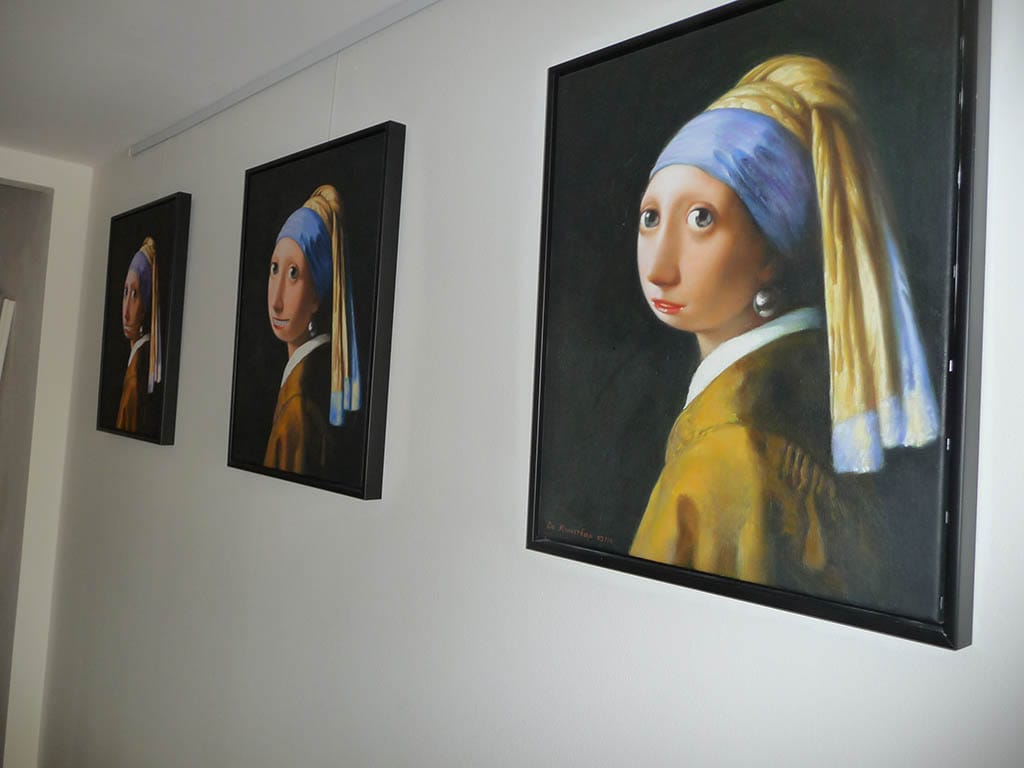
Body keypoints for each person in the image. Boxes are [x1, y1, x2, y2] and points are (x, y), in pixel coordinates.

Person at [628, 55, 939, 605]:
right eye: (651, 217)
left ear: (771, 252)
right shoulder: (809, 409)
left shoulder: (728, 456)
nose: (659, 267)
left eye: (701, 218)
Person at [263, 184, 360, 475]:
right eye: (275, 269)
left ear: (317, 294)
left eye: (294, 273)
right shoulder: (312, 379)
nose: (276, 301)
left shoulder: (299, 403)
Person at [116, 236, 161, 433]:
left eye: (135, 294)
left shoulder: (135, 377)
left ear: (146, 306)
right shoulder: (137, 360)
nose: (126, 312)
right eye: (125, 292)